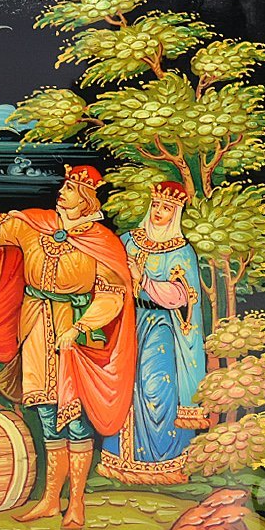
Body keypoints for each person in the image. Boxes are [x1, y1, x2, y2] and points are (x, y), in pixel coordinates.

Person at [0, 165, 136, 527]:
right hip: (34, 329)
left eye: (71, 188)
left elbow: (112, 295)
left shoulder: (102, 243)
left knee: (76, 420)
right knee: (47, 415)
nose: (62, 192)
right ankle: (50, 500)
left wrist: (80, 327)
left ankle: (77, 503)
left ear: (87, 198)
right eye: (64, 186)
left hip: (74, 337)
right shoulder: (35, 224)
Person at [100, 181, 208, 483]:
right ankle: (120, 462)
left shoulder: (181, 251)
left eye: (167, 208)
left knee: (154, 388)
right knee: (124, 385)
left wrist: (144, 279)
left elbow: (182, 296)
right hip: (127, 321)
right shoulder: (128, 241)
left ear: (176, 214)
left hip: (160, 326)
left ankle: (165, 464)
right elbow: (107, 273)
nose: (160, 212)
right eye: (157, 205)